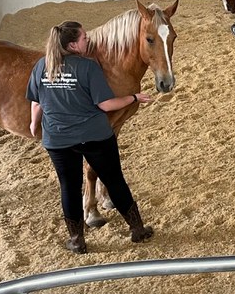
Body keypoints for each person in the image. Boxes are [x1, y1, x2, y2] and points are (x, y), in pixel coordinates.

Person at [27, 21, 154, 254]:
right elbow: (106, 104)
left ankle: (77, 240)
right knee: (114, 180)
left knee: (69, 186)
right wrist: (134, 98)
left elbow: (37, 102)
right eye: (84, 37)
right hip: (94, 136)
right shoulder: (87, 67)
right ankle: (137, 229)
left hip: (57, 139)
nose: (88, 40)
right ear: (73, 45)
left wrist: (34, 125)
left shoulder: (42, 66)